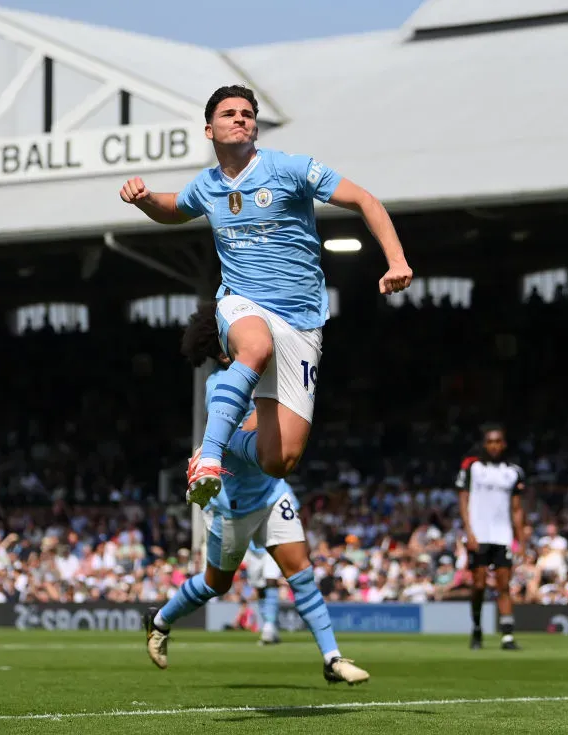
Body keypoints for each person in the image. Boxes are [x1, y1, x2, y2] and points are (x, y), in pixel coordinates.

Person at [120, 84, 413, 508]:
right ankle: (210, 457)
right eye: (229, 114)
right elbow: (174, 208)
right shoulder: (207, 185)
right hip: (241, 303)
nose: (240, 118)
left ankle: (219, 446)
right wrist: (146, 200)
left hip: (301, 320)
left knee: (280, 459)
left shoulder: (290, 169)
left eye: (247, 113)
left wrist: (397, 261)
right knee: (254, 346)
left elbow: (364, 199)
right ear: (209, 130)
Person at [144, 302, 369, 685]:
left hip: (270, 493)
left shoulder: (267, 368)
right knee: (217, 584)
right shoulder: (220, 385)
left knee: (300, 573)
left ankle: (332, 658)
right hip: (232, 504)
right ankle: (161, 620)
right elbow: (237, 440)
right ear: (221, 350)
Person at [456, 424, 525, 650]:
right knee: (479, 584)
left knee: (504, 585)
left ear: (503, 444)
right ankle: (477, 629)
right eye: (490, 442)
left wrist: (520, 540)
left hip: (502, 535)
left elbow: (516, 509)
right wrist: (469, 532)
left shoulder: (513, 471)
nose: (494, 446)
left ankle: (507, 635)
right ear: (484, 444)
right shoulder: (472, 467)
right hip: (479, 533)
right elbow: (464, 500)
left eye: (498, 441)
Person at [243, 540, 283, 645]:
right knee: (260, 589)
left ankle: (268, 626)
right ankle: (270, 625)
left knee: (271, 581)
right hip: (252, 551)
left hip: (271, 544)